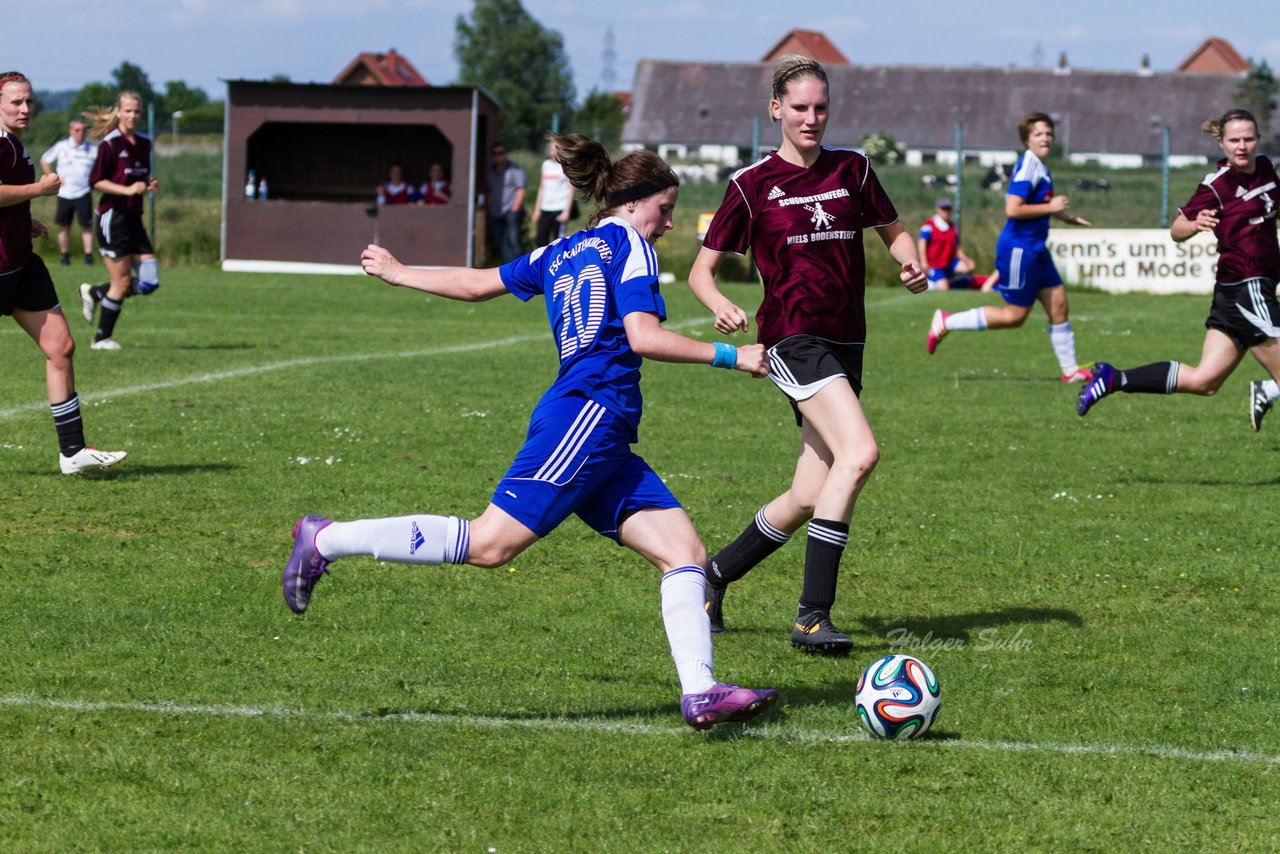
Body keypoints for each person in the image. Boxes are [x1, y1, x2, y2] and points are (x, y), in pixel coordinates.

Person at [283, 133, 778, 731]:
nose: (668, 224)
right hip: (588, 416)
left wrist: (398, 272)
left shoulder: (562, 250)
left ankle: (701, 691)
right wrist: (732, 356)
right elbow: (644, 337)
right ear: (634, 201)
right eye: (665, 209)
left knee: (684, 553)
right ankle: (325, 539)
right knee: (491, 545)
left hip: (601, 432)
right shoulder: (632, 248)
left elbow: (475, 285)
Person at [686, 56, 928, 654]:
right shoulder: (752, 185)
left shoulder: (855, 168)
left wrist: (909, 260)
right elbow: (701, 271)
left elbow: (897, 230)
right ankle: (811, 616)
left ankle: (714, 577)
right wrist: (718, 304)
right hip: (794, 339)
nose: (811, 118)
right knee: (861, 452)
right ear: (776, 109)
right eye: (799, 107)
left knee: (808, 493)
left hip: (848, 340)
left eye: (820, 107)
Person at [1078, 108, 1280, 419]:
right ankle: (1268, 390)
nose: (1242, 146)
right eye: (1235, 140)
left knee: (1205, 381)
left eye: (1248, 139)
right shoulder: (1216, 185)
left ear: (1258, 139)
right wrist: (1196, 222)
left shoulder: (1266, 167)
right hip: (1246, 287)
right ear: (1222, 144)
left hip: (1236, 291)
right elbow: (1176, 229)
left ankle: (1113, 379)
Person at [0, 72, 126, 474]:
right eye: (16, 102)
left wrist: (26, 220)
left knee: (61, 347)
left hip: (21, 265)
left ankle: (72, 452)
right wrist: (38, 191)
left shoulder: (14, 144)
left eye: (29, 102)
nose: (25, 109)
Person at [926, 112, 1094, 383]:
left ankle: (1070, 371)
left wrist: (1063, 217)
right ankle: (947, 321)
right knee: (1014, 316)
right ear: (1027, 141)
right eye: (1038, 134)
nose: (1046, 138)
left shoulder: (1040, 166)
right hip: (1019, 250)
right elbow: (1013, 209)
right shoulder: (1028, 165)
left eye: (1049, 133)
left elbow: (1036, 205)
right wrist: (1051, 208)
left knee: (1059, 304)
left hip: (1036, 249)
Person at [77, 90, 160, 351]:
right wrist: (127, 190)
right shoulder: (110, 144)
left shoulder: (145, 143)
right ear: (119, 112)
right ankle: (101, 339)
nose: (133, 115)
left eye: (136, 111)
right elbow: (96, 181)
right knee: (122, 282)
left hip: (134, 219)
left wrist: (148, 185)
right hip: (113, 218)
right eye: (128, 111)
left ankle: (97, 292)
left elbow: (139, 177)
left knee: (149, 282)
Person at [39, 118, 97, 267]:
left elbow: (102, 167)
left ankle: (88, 258)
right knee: (64, 226)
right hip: (65, 194)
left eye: (84, 130)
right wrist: (53, 177)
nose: (81, 133)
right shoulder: (62, 146)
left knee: (86, 226)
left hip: (84, 192)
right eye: (77, 130)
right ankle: (64, 257)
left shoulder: (92, 149)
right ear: (71, 131)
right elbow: (45, 160)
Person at [918, 197, 976, 290]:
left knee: (967, 267)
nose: (946, 211)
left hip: (949, 263)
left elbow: (957, 249)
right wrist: (924, 262)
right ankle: (931, 283)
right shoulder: (929, 225)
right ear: (938, 209)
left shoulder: (952, 226)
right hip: (934, 264)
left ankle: (948, 281)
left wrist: (967, 260)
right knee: (943, 288)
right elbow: (922, 243)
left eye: (948, 209)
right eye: (944, 209)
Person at [487, 142, 526, 263]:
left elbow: (521, 188)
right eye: (495, 153)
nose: (498, 156)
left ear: (505, 154)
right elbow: (488, 190)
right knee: (501, 243)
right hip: (496, 212)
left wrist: (515, 208)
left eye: (501, 153)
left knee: (514, 241)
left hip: (511, 211)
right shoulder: (490, 171)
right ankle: (509, 269)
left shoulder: (515, 168)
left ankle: (521, 269)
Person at [533, 139, 574, 246]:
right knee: (540, 240)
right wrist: (537, 210)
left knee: (558, 242)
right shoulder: (545, 165)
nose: (554, 151)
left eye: (557, 148)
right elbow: (542, 187)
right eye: (552, 148)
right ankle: (542, 262)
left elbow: (570, 189)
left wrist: (566, 211)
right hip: (545, 208)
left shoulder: (566, 165)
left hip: (559, 208)